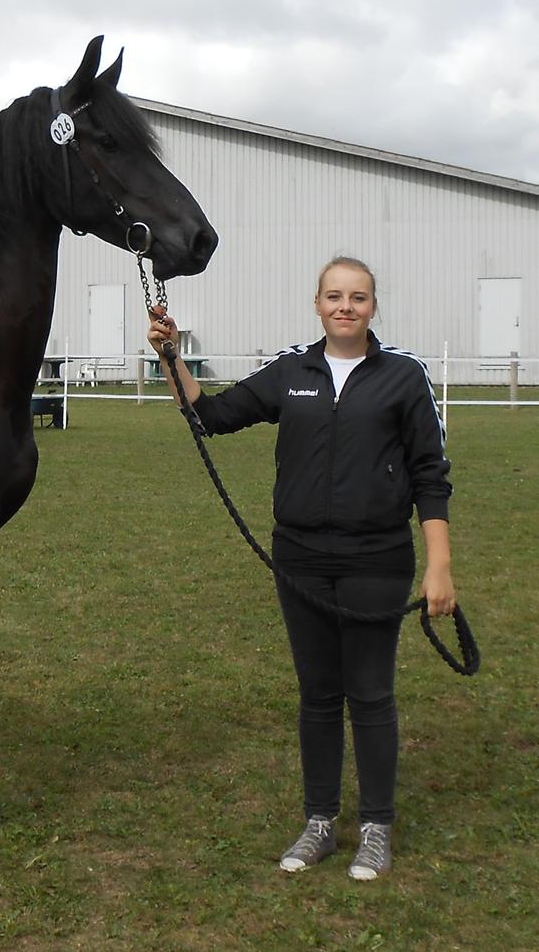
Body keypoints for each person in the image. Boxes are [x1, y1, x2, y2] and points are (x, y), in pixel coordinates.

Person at [148, 256, 456, 881]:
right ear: (317, 304)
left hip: (378, 559)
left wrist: (439, 565)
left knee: (370, 693)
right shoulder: (292, 371)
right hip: (301, 559)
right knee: (318, 695)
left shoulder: (404, 376)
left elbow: (431, 474)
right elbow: (213, 415)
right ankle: (320, 822)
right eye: (335, 296)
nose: (347, 307)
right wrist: (171, 354)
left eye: (359, 298)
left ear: (374, 306)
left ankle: (374, 828)